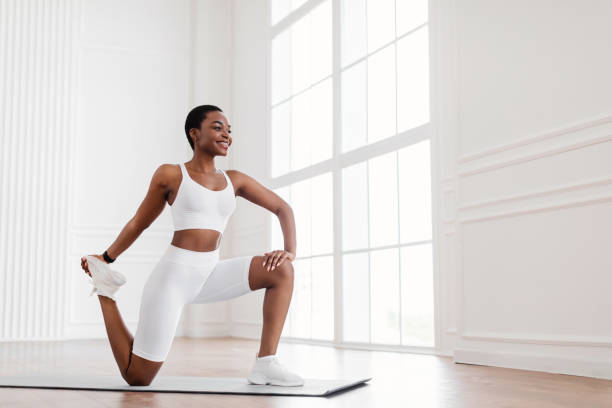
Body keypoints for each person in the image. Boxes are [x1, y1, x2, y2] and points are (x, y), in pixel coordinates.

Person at [80, 105, 303, 387]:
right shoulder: (171, 174)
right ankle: (106, 292)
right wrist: (106, 258)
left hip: (210, 274)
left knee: (282, 271)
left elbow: (283, 208)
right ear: (194, 134)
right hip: (172, 279)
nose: (226, 135)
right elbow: (139, 222)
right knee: (138, 377)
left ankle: (266, 363)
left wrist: (290, 251)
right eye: (218, 127)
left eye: (229, 130)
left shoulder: (235, 180)